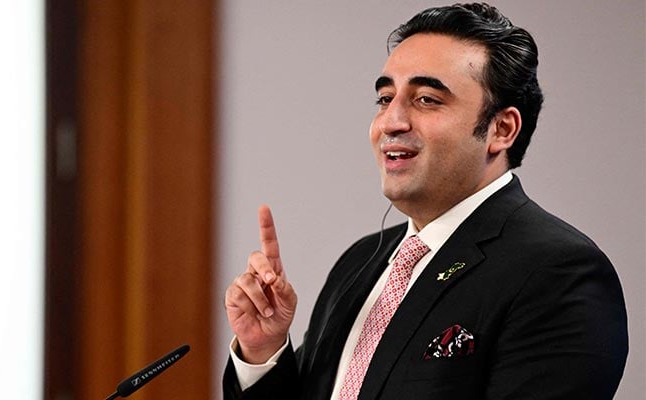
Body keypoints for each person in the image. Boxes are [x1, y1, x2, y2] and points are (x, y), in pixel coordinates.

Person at [223, 3, 629, 399]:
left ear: (501, 129)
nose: (391, 122)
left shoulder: (559, 272)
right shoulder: (360, 262)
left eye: (426, 100)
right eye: (385, 99)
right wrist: (262, 352)